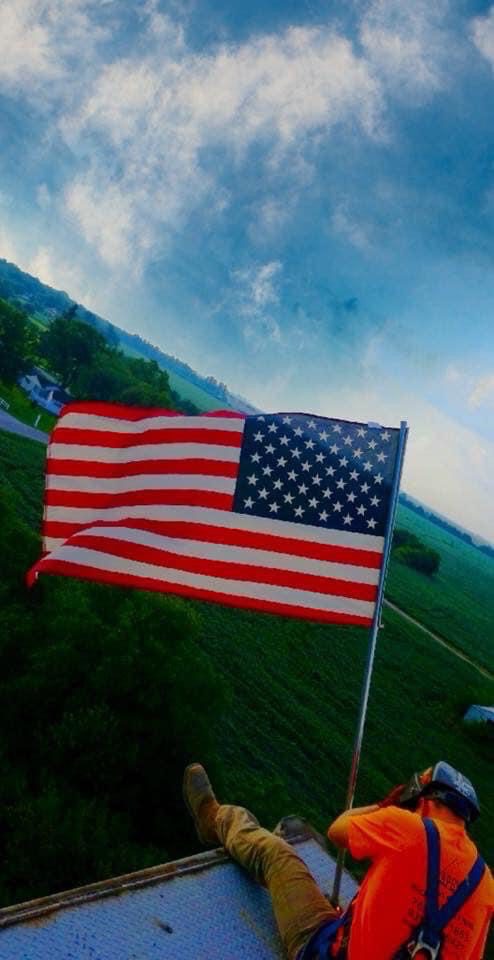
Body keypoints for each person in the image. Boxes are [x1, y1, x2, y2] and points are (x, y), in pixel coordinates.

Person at [183, 761, 493, 960]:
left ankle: (214, 818)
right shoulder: (485, 883)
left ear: (420, 795)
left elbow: (338, 829)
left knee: (276, 854)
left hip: (326, 952)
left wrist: (388, 805)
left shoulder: (408, 828)